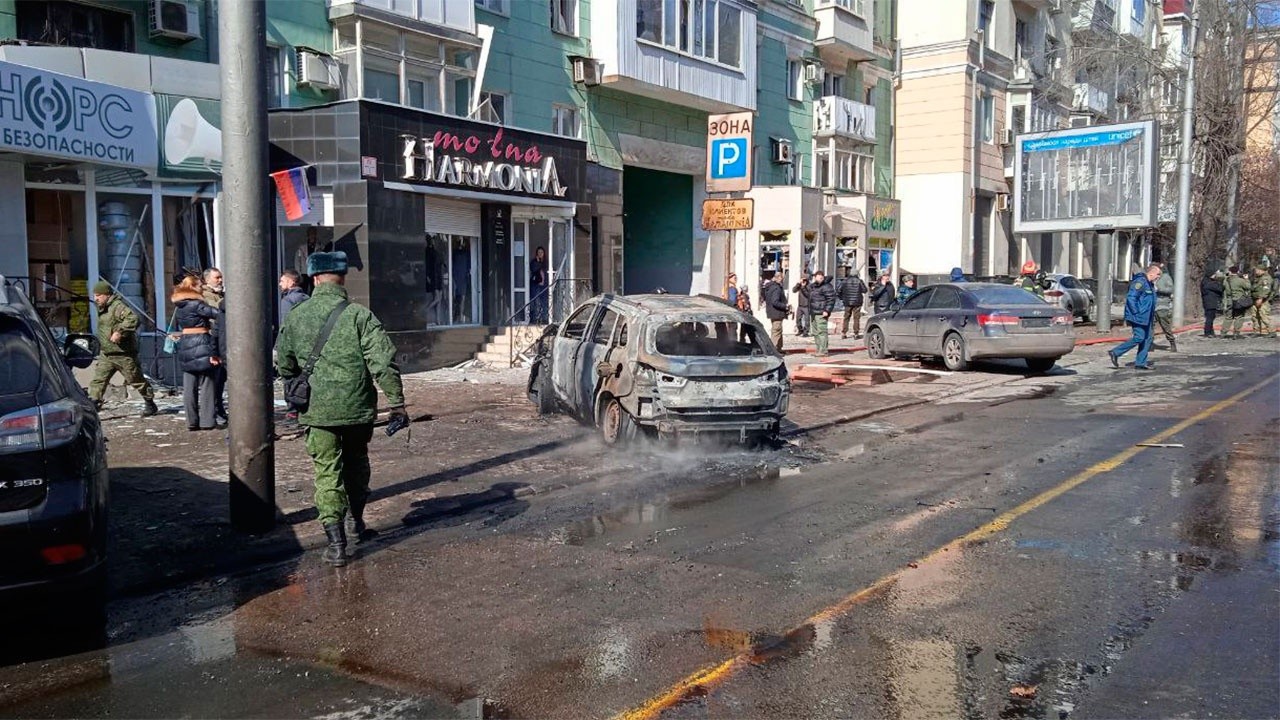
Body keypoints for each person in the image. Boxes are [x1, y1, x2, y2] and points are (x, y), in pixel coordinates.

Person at [275, 251, 408, 567]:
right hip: (357, 409)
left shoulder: (297, 315)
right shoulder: (360, 316)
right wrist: (397, 403)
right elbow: (384, 363)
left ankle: (336, 545)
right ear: (343, 277)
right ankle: (356, 523)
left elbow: (284, 363)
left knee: (327, 472)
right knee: (357, 464)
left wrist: (299, 388)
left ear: (315, 278)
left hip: (317, 412)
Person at [88, 281, 158, 417]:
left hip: (123, 354)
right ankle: (93, 406)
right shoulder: (102, 308)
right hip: (106, 353)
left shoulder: (117, 306)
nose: (96, 298)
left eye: (98, 295)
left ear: (107, 295)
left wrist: (119, 332)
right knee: (98, 381)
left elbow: (133, 319)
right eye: (95, 295)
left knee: (135, 379)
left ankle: (149, 402)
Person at [171, 274, 223, 430]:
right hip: (201, 342)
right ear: (192, 287)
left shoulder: (179, 305)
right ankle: (207, 421)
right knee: (208, 383)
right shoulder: (196, 304)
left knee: (189, 385)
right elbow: (217, 313)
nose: (202, 288)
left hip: (186, 343)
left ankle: (191, 421)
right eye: (199, 285)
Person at [1108, 264, 1161, 371]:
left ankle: (1141, 363)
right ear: (1151, 273)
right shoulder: (1140, 282)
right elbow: (1131, 298)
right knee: (1139, 337)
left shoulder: (1149, 284)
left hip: (1147, 316)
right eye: (1158, 274)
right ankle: (1116, 352)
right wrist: (1136, 313)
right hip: (1138, 316)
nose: (1158, 276)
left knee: (1147, 339)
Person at [202, 267, 228, 425]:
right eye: (217, 278)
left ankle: (219, 410)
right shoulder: (204, 296)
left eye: (221, 277)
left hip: (222, 341)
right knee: (215, 381)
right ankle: (215, 411)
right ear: (207, 280)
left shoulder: (220, 295)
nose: (220, 280)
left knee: (221, 380)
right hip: (212, 342)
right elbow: (216, 312)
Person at [809, 270, 838, 357]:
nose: (818, 279)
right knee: (815, 332)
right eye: (817, 277)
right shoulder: (814, 286)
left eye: (820, 277)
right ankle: (818, 349)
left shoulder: (827, 286)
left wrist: (827, 310)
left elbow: (831, 299)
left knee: (822, 332)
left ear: (822, 277)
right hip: (813, 312)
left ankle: (823, 350)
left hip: (821, 312)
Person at [760, 270, 789, 350]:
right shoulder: (776, 288)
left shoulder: (769, 287)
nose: (782, 280)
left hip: (773, 313)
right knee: (776, 331)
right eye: (782, 279)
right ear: (778, 278)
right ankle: (774, 350)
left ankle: (779, 348)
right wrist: (785, 306)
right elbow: (775, 302)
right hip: (777, 313)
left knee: (778, 330)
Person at [1223, 266, 1253, 339]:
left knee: (1228, 317)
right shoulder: (1240, 280)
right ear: (1238, 271)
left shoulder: (1226, 280)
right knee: (1239, 317)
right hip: (1239, 300)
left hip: (1229, 300)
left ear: (1230, 271)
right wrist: (1246, 279)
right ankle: (1236, 333)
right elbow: (1248, 287)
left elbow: (1224, 287)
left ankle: (1223, 332)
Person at [1153, 262, 1177, 352]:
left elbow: (1171, 289)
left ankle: (1172, 341)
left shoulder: (1166, 277)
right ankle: (1149, 344)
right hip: (1152, 304)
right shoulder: (1152, 277)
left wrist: (1159, 290)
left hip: (1162, 304)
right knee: (1150, 325)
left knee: (1165, 325)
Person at [837, 271, 868, 339]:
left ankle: (844, 332)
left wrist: (841, 298)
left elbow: (838, 290)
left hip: (847, 301)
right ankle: (856, 333)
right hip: (857, 302)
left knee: (846, 317)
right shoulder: (859, 281)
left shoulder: (845, 281)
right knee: (856, 318)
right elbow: (865, 290)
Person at [1199, 269, 1225, 338]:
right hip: (1210, 302)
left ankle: (1210, 331)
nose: (1215, 276)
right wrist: (1221, 281)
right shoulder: (1209, 283)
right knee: (1209, 318)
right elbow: (1220, 288)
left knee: (1210, 318)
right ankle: (1208, 332)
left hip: (1209, 302)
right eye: (1214, 274)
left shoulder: (1206, 281)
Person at [1251, 266, 1274, 337]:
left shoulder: (1266, 278)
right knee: (1255, 316)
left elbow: (1266, 290)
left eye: (1257, 270)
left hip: (1263, 300)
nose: (1256, 272)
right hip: (1255, 299)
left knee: (1264, 316)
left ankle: (1271, 332)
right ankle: (1256, 331)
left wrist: (1261, 298)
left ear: (1262, 270)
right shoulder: (1258, 277)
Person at [529, 246, 548, 323]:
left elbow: (546, 270)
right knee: (535, 301)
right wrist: (538, 262)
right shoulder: (534, 262)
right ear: (536, 253)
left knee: (544, 302)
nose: (540, 254)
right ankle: (534, 318)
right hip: (535, 284)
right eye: (539, 252)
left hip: (544, 285)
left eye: (542, 252)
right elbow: (534, 269)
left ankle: (544, 318)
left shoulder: (546, 262)